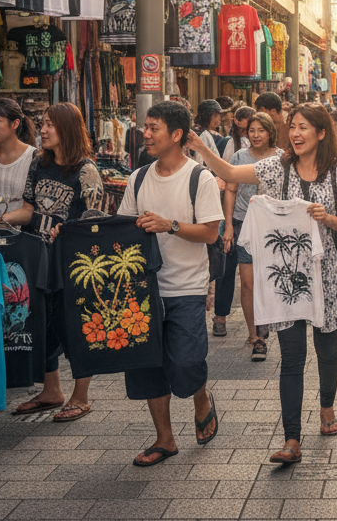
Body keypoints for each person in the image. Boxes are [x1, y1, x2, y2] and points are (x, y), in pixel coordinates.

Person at [191, 104, 337, 465]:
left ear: (321, 133)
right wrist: (201, 149)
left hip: (326, 276)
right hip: (286, 280)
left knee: (327, 351)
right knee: (293, 357)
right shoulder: (275, 168)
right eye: (292, 127)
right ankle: (292, 438)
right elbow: (230, 171)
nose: (295, 134)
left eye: (303, 128)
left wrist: (327, 217)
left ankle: (327, 407)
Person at [118, 101, 224, 467]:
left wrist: (170, 225)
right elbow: (124, 228)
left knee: (185, 362)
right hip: (144, 290)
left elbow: (211, 233)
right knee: (149, 367)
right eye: (144, 127)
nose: (144, 134)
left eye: (153, 128)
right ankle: (165, 439)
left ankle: (200, 398)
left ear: (176, 135)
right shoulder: (138, 177)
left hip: (187, 288)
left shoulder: (200, 178)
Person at [4, 102, 104, 422]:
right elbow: (29, 210)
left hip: (72, 262)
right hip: (38, 257)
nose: (42, 130)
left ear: (67, 129)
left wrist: (71, 229)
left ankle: (81, 396)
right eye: (42, 124)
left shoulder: (86, 170)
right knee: (43, 324)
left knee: (75, 326)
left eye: (49, 125)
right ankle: (51, 391)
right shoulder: (38, 163)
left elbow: (95, 220)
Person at [221, 112, 282, 360]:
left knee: (268, 280)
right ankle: (254, 335)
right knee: (247, 282)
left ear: (270, 133)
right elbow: (231, 191)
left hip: (272, 226)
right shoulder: (239, 157)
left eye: (261, 130)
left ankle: (265, 321)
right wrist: (227, 226)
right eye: (252, 131)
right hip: (243, 223)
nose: (256, 135)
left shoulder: (281, 158)